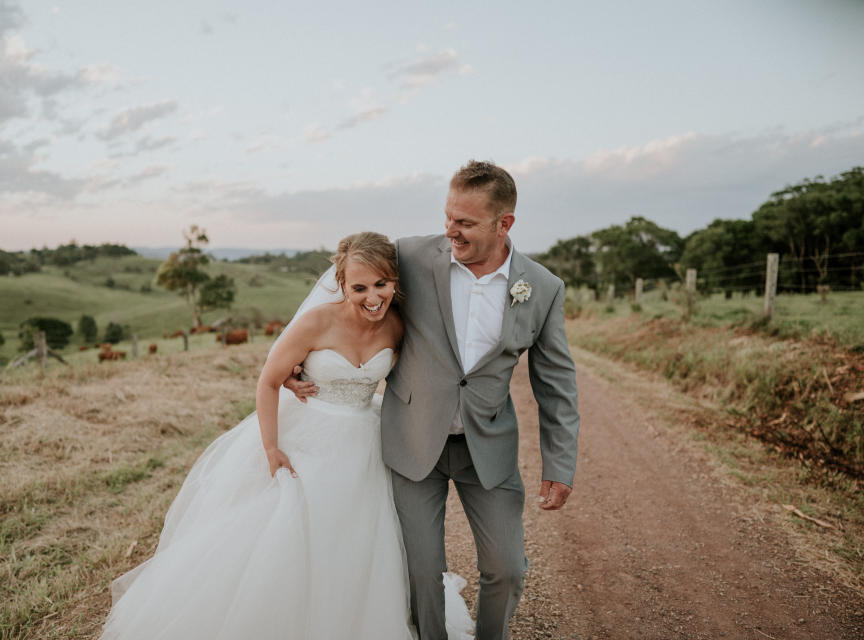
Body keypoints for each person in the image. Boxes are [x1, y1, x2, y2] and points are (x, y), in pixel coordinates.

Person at [98, 232, 474, 640]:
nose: (372, 297)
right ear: (342, 284)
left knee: (361, 539)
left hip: (366, 442)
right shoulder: (315, 321)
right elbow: (268, 381)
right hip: (308, 435)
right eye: (359, 287)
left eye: (381, 284)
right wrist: (271, 447)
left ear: (394, 282)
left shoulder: (399, 326)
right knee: (289, 534)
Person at [288, 161, 580, 640]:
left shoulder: (543, 289)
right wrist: (307, 358)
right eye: (448, 217)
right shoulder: (410, 257)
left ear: (504, 224)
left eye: (465, 222)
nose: (451, 231)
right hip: (412, 441)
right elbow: (347, 284)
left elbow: (557, 384)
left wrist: (560, 463)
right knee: (422, 573)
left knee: (506, 568)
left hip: (489, 448)